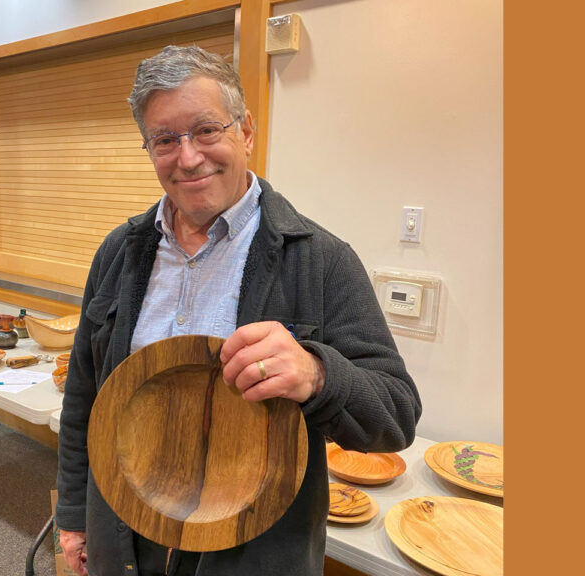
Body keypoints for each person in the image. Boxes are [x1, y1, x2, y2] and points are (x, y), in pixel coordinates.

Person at [55, 45, 421, 576]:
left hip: (256, 554)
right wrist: (74, 515)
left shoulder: (319, 259)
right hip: (125, 540)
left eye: (207, 130)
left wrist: (318, 375)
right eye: (165, 139)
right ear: (149, 148)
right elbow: (85, 397)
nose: (188, 157)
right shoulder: (119, 252)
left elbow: (397, 416)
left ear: (245, 131)